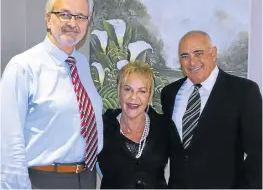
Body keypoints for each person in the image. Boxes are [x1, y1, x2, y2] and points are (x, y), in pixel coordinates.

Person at [1, 0, 103, 189]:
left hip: (86, 179)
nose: (73, 23)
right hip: (44, 180)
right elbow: (8, 144)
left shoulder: (81, 64)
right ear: (49, 19)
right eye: (65, 14)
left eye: (81, 17)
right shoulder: (23, 68)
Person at [161, 30, 262, 189]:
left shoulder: (243, 91)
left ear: (213, 53)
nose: (192, 62)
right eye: (185, 56)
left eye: (198, 53)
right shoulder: (169, 93)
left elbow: (259, 153)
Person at [98, 61, 180, 188]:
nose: (133, 97)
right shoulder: (102, 127)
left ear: (149, 96)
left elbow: (180, 171)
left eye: (142, 91)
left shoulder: (164, 127)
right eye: (127, 89)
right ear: (119, 91)